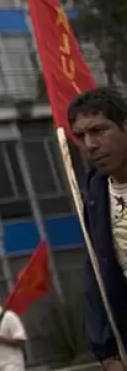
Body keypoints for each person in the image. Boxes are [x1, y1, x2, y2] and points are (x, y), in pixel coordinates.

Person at [68, 87, 127, 370]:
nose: (89, 144)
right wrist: (107, 353)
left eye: (99, 130)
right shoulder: (95, 194)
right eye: (80, 136)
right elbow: (97, 272)